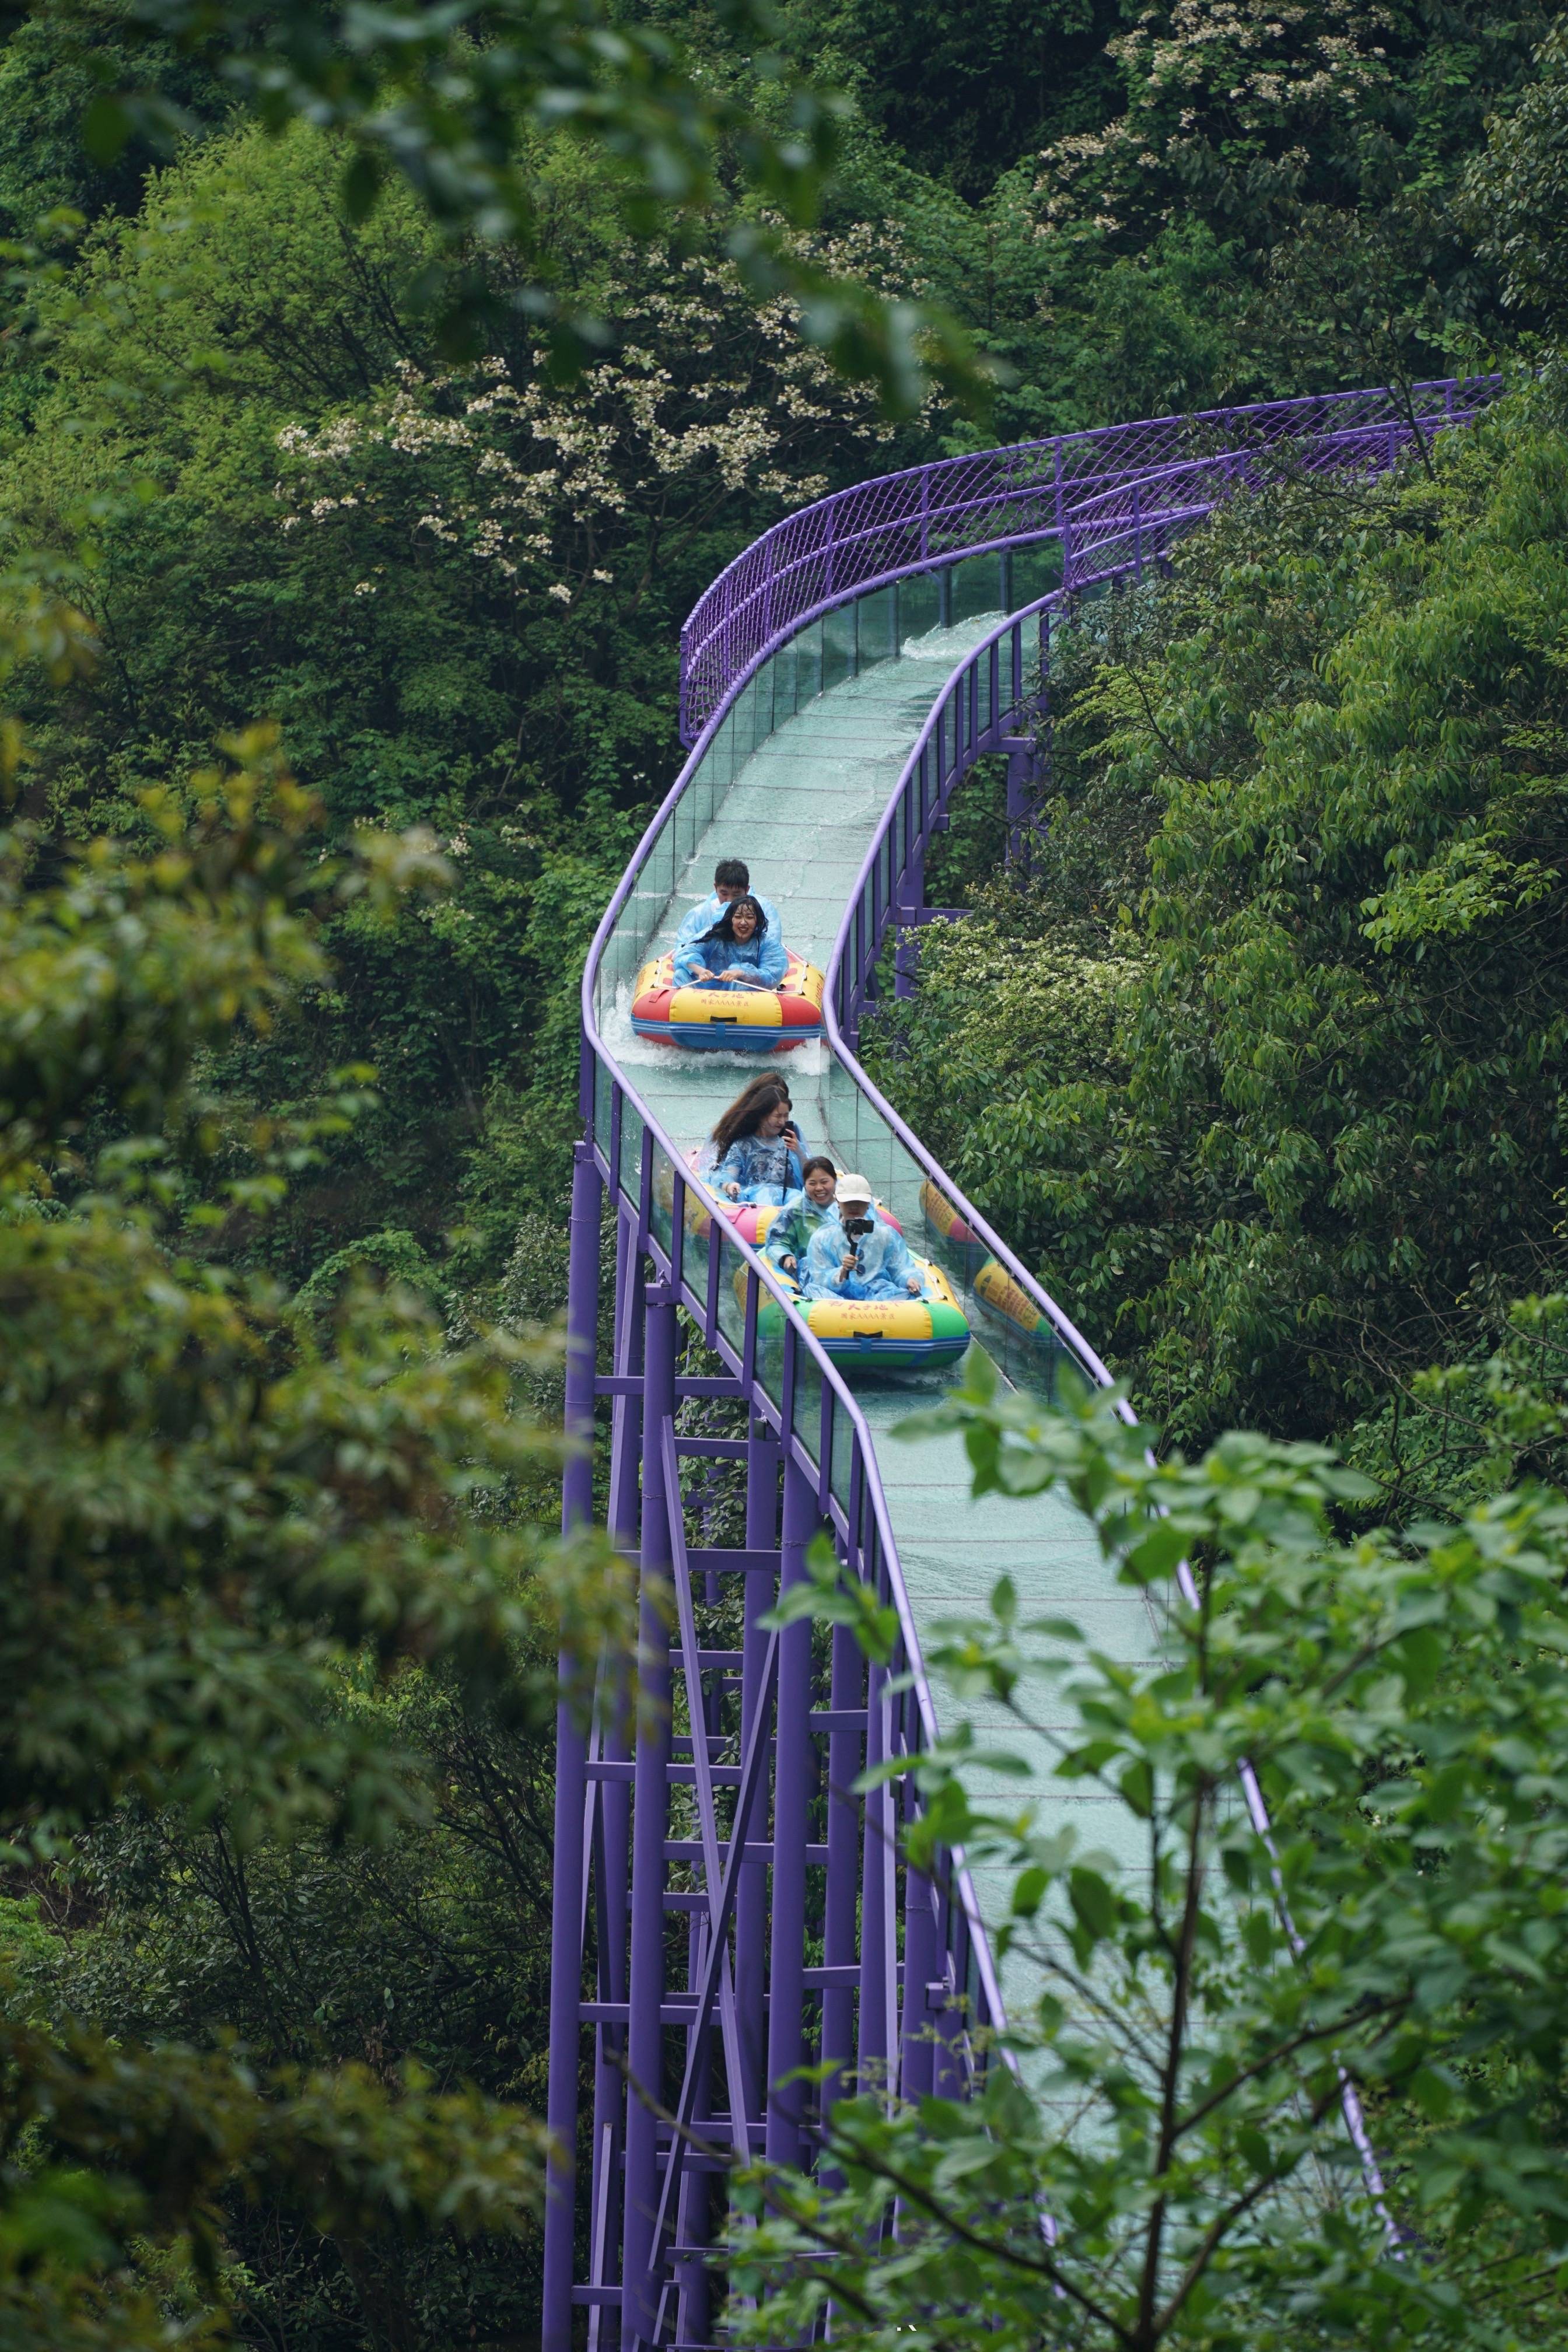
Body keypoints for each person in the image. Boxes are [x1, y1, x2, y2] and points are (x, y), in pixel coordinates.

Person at [802, 1174, 925, 1301]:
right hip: (837, 1296)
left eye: (860, 1202)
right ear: (838, 1202)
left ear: (868, 1204)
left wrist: (909, 1279)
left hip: (877, 1292)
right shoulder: (823, 1237)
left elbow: (901, 1267)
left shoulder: (886, 1235)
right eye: (849, 1202)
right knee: (813, 1291)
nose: (854, 1206)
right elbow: (820, 1276)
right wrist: (842, 1272)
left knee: (904, 1294)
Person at [709, 1077, 807, 1203]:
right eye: (777, 1116)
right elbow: (730, 1172)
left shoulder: (790, 1143)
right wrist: (729, 1185)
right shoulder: (743, 1145)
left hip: (786, 1195)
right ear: (762, 1116)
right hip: (756, 1197)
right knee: (766, 1194)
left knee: (798, 1198)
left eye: (786, 1116)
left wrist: (799, 1152)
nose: (782, 1122)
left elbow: (809, 1176)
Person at [672, 894, 787, 992]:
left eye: (749, 917)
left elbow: (773, 975)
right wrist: (701, 971)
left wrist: (741, 972)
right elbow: (684, 954)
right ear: (731, 919)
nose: (743, 922)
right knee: (680, 974)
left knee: (740, 981)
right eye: (738, 917)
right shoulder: (715, 936)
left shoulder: (767, 943)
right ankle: (689, 1014)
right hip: (707, 992)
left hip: (745, 1000)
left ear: (757, 921)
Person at [676, 858, 781, 954]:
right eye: (724, 894)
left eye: (736, 895)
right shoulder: (699, 913)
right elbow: (682, 950)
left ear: (747, 890)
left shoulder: (763, 908)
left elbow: (772, 947)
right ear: (716, 887)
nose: (730, 900)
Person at [765, 1156, 839, 1278]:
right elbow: (776, 1241)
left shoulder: (849, 1206)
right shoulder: (795, 1211)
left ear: (835, 1180)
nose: (819, 1188)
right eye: (812, 1183)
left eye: (825, 1182)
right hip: (810, 1274)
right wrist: (785, 1257)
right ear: (804, 1185)